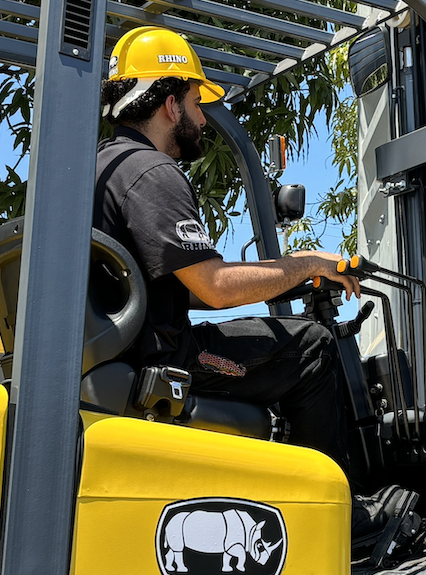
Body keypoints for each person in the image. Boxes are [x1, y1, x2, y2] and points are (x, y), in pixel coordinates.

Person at [93, 25, 361, 478]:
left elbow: (178, 286)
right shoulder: (153, 172)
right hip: (165, 362)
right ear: (170, 103)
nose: (201, 119)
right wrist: (308, 263)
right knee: (312, 347)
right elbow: (215, 288)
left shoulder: (103, 166)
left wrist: (280, 275)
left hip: (124, 351)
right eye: (197, 103)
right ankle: (336, 512)